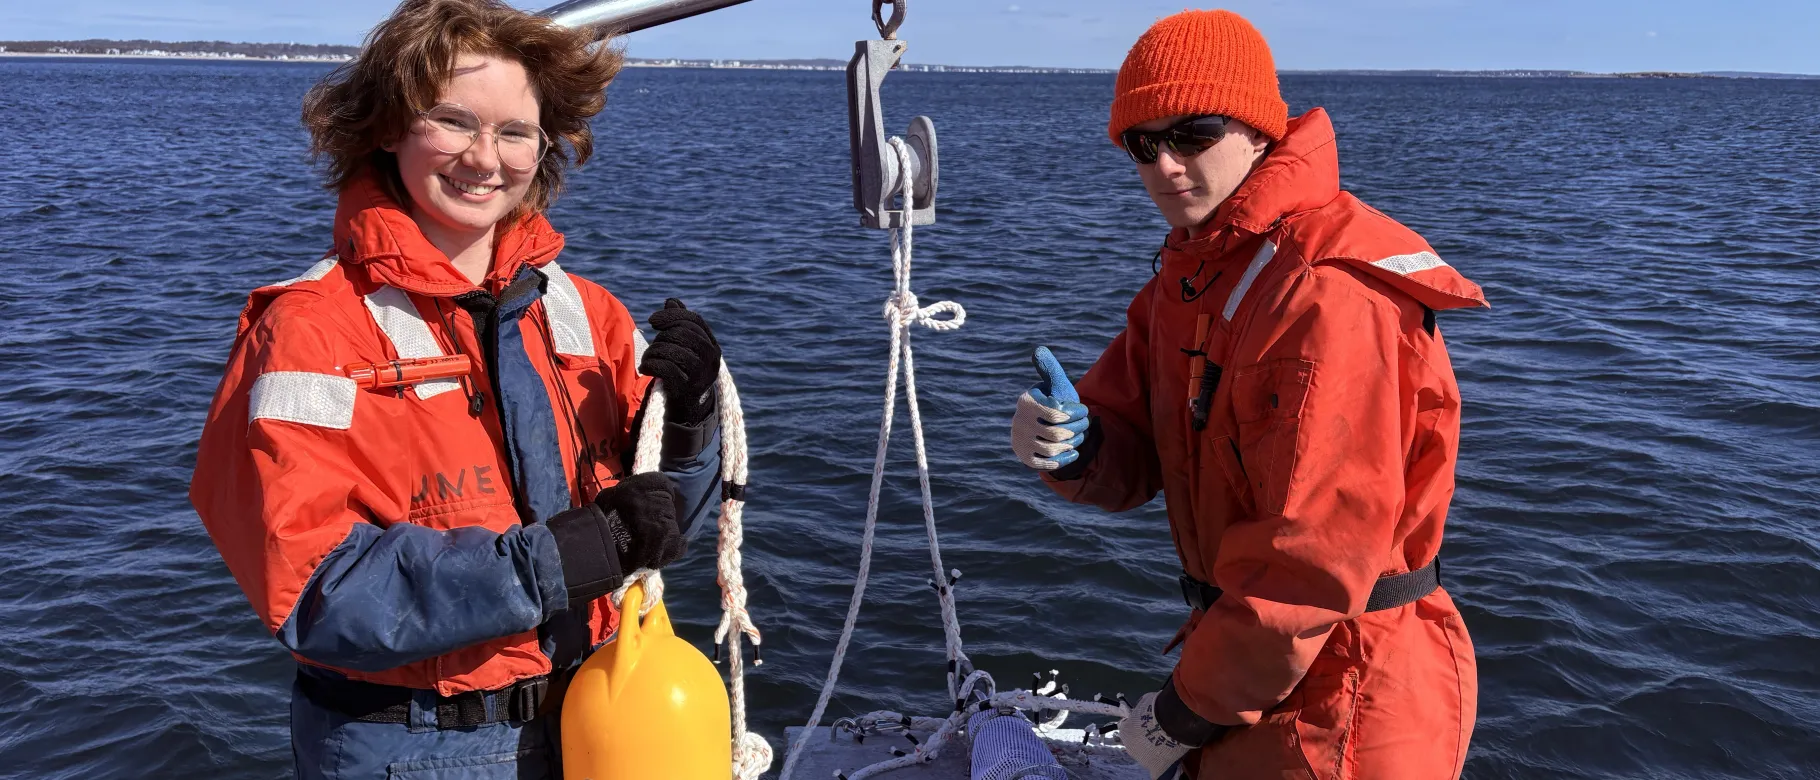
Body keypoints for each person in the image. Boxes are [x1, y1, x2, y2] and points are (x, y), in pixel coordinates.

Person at [189, 1, 726, 776]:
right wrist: (558, 559)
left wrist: (692, 426)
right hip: (413, 750)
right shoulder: (310, 329)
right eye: (451, 121)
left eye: (514, 132)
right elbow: (314, 590)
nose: (485, 157)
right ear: (386, 128)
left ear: (545, 147)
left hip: (596, 730)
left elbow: (664, 524)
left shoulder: (588, 314)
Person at [1009, 9, 1487, 780]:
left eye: (1194, 134)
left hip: (1350, 696)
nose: (1166, 165)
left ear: (1259, 132)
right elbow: (1134, 441)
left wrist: (1180, 714)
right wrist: (1076, 446)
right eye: (1143, 143)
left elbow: (1313, 563)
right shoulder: (1193, 277)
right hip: (1253, 671)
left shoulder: (1326, 297)